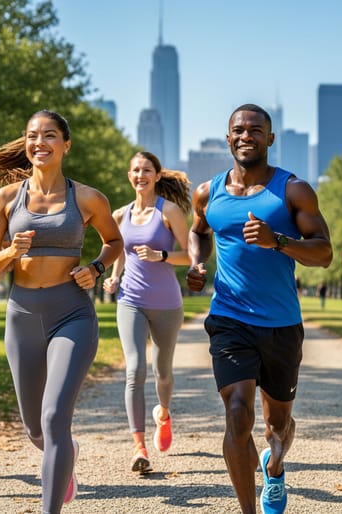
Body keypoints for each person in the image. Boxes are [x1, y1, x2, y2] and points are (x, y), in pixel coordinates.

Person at [186, 104, 332, 514]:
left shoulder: (293, 189)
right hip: (229, 317)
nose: (246, 135)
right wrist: (198, 264)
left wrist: (278, 241)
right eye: (238, 130)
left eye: (256, 130)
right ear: (228, 137)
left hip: (281, 323)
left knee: (277, 426)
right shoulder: (207, 192)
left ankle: (276, 463)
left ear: (270, 139)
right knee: (237, 414)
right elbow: (199, 232)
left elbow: (324, 253)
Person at [0, 110, 122, 513]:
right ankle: (65, 454)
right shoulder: (6, 199)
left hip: (71, 313)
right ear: (25, 144)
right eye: (33, 136)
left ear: (65, 145)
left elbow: (114, 241)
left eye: (50, 136)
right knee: (35, 428)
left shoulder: (89, 198)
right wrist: (10, 251)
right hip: (22, 314)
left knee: (55, 415)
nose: (40, 143)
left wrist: (95, 268)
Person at [103, 151, 191, 473]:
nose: (141, 175)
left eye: (147, 170)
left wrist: (161, 255)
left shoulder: (168, 212)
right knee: (135, 368)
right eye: (136, 170)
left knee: (162, 372)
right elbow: (120, 252)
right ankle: (139, 447)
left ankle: (163, 414)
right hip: (131, 300)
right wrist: (114, 277)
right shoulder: (119, 215)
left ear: (156, 175)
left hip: (167, 303)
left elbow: (189, 256)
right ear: (130, 176)